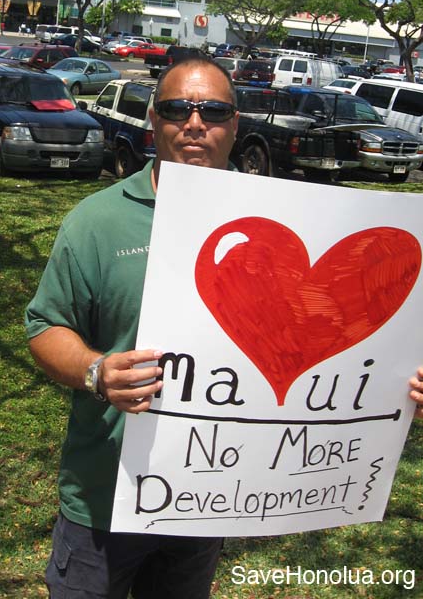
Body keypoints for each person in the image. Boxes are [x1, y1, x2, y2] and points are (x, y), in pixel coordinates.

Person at [25, 53, 423, 599]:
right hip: (102, 501)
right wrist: (96, 371)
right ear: (153, 120)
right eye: (175, 109)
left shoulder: (285, 219)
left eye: (212, 110)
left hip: (204, 500)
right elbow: (46, 326)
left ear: (235, 124)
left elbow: (335, 340)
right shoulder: (98, 221)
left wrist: (398, 386)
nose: (194, 123)